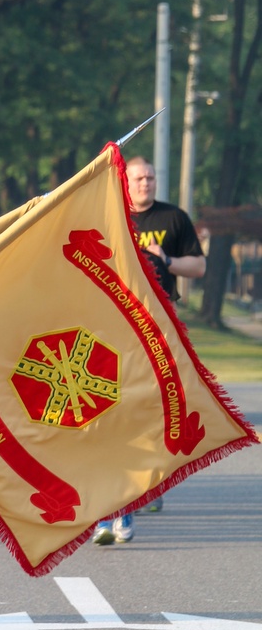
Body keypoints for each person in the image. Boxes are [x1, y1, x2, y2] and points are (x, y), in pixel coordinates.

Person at [93, 155, 206, 543]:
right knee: (113, 412)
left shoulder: (173, 219)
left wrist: (167, 259)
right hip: (114, 327)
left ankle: (143, 487)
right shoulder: (109, 216)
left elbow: (198, 267)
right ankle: (117, 506)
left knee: (151, 412)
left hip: (159, 327)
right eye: (139, 178)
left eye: (151, 178)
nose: (146, 184)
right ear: (125, 182)